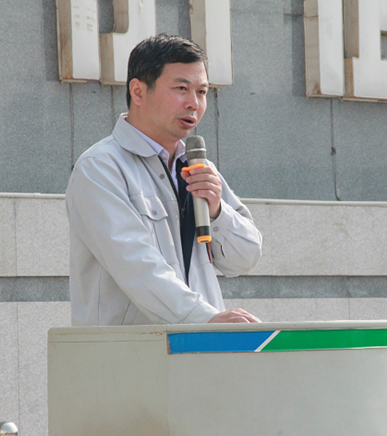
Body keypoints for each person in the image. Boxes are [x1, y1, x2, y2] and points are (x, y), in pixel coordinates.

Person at [66, 34, 263, 326]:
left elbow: (245, 257)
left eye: (202, 92)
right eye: (181, 89)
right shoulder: (101, 167)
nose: (194, 103)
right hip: (128, 350)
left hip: (199, 344)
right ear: (138, 92)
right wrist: (205, 318)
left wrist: (216, 211)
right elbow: (136, 266)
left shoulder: (198, 167)